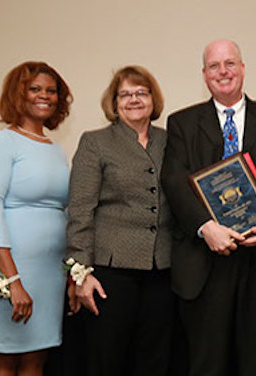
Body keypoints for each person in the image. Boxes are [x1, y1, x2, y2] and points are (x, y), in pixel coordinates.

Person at [161, 40, 256, 376]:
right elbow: (175, 181)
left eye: (229, 63)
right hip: (204, 261)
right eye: (214, 66)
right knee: (207, 364)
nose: (222, 72)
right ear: (204, 74)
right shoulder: (181, 122)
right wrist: (206, 227)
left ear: (242, 68)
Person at [0, 61, 72, 375]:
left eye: (51, 91)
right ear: (17, 94)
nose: (45, 96)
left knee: (37, 357)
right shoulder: (2, 142)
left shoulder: (55, 150)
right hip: (10, 271)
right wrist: (13, 281)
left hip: (49, 273)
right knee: (6, 357)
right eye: (35, 89)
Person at [65, 65, 174, 376]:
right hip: (111, 273)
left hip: (163, 271)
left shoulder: (170, 140)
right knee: (108, 359)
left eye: (141, 92)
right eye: (125, 94)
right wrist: (80, 275)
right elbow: (80, 210)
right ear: (114, 104)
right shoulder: (95, 142)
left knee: (155, 360)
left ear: (154, 99)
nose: (134, 99)